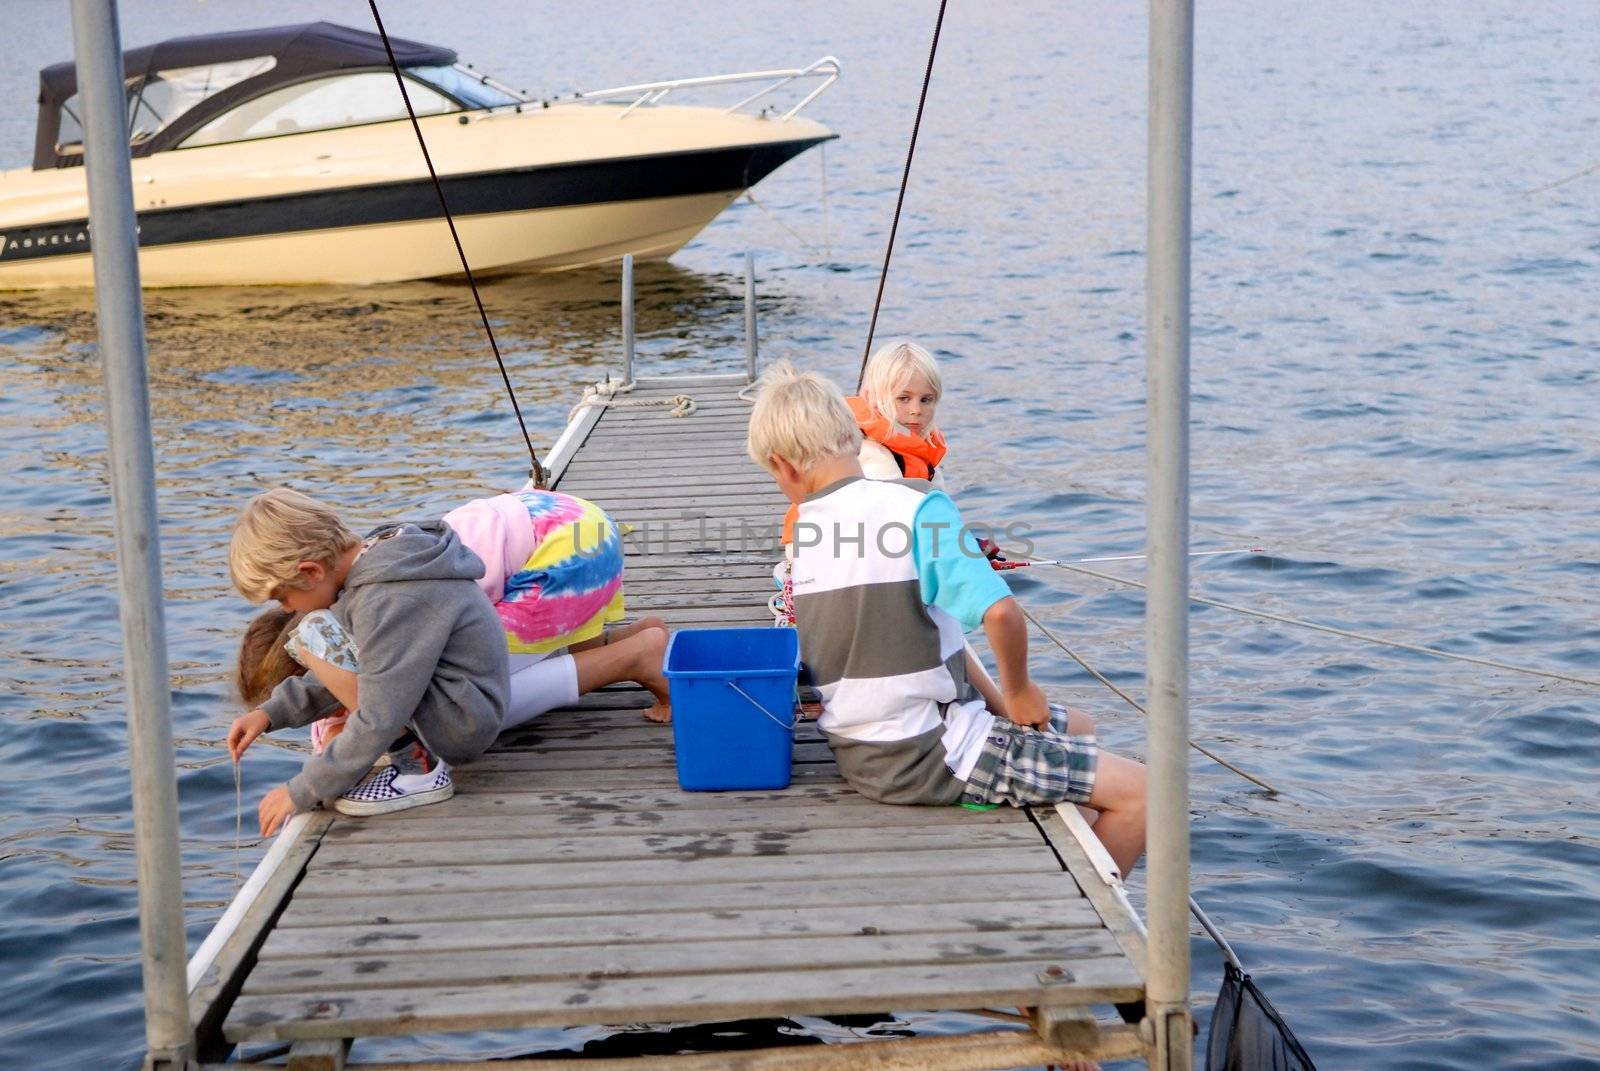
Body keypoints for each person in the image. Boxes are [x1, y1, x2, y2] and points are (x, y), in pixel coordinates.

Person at [746, 363, 1147, 876]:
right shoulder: (919, 506)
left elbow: (938, 640)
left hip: (863, 748)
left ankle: (1079, 853)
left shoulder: (806, 534)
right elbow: (1000, 611)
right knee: (1145, 792)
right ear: (857, 432)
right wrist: (1020, 692)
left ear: (782, 466)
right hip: (927, 754)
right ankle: (1098, 927)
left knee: (1080, 727)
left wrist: (1003, 705)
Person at [226, 488, 509, 836]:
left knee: (313, 631)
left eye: (282, 596)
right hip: (457, 704)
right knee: (316, 632)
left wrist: (302, 791)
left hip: (459, 724)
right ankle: (409, 758)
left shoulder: (388, 598)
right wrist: (269, 714)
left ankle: (418, 771)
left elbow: (378, 715)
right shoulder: (379, 567)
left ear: (312, 571)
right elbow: (364, 666)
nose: (285, 609)